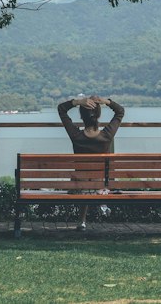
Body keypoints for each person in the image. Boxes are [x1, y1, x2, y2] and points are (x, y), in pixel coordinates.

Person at [56, 93, 126, 229]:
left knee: (84, 182)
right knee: (95, 182)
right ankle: (102, 204)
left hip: (79, 188)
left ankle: (82, 221)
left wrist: (77, 102)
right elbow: (120, 111)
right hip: (102, 187)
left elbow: (61, 109)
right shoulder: (106, 135)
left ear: (82, 117)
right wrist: (105, 101)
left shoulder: (76, 135)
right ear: (98, 116)